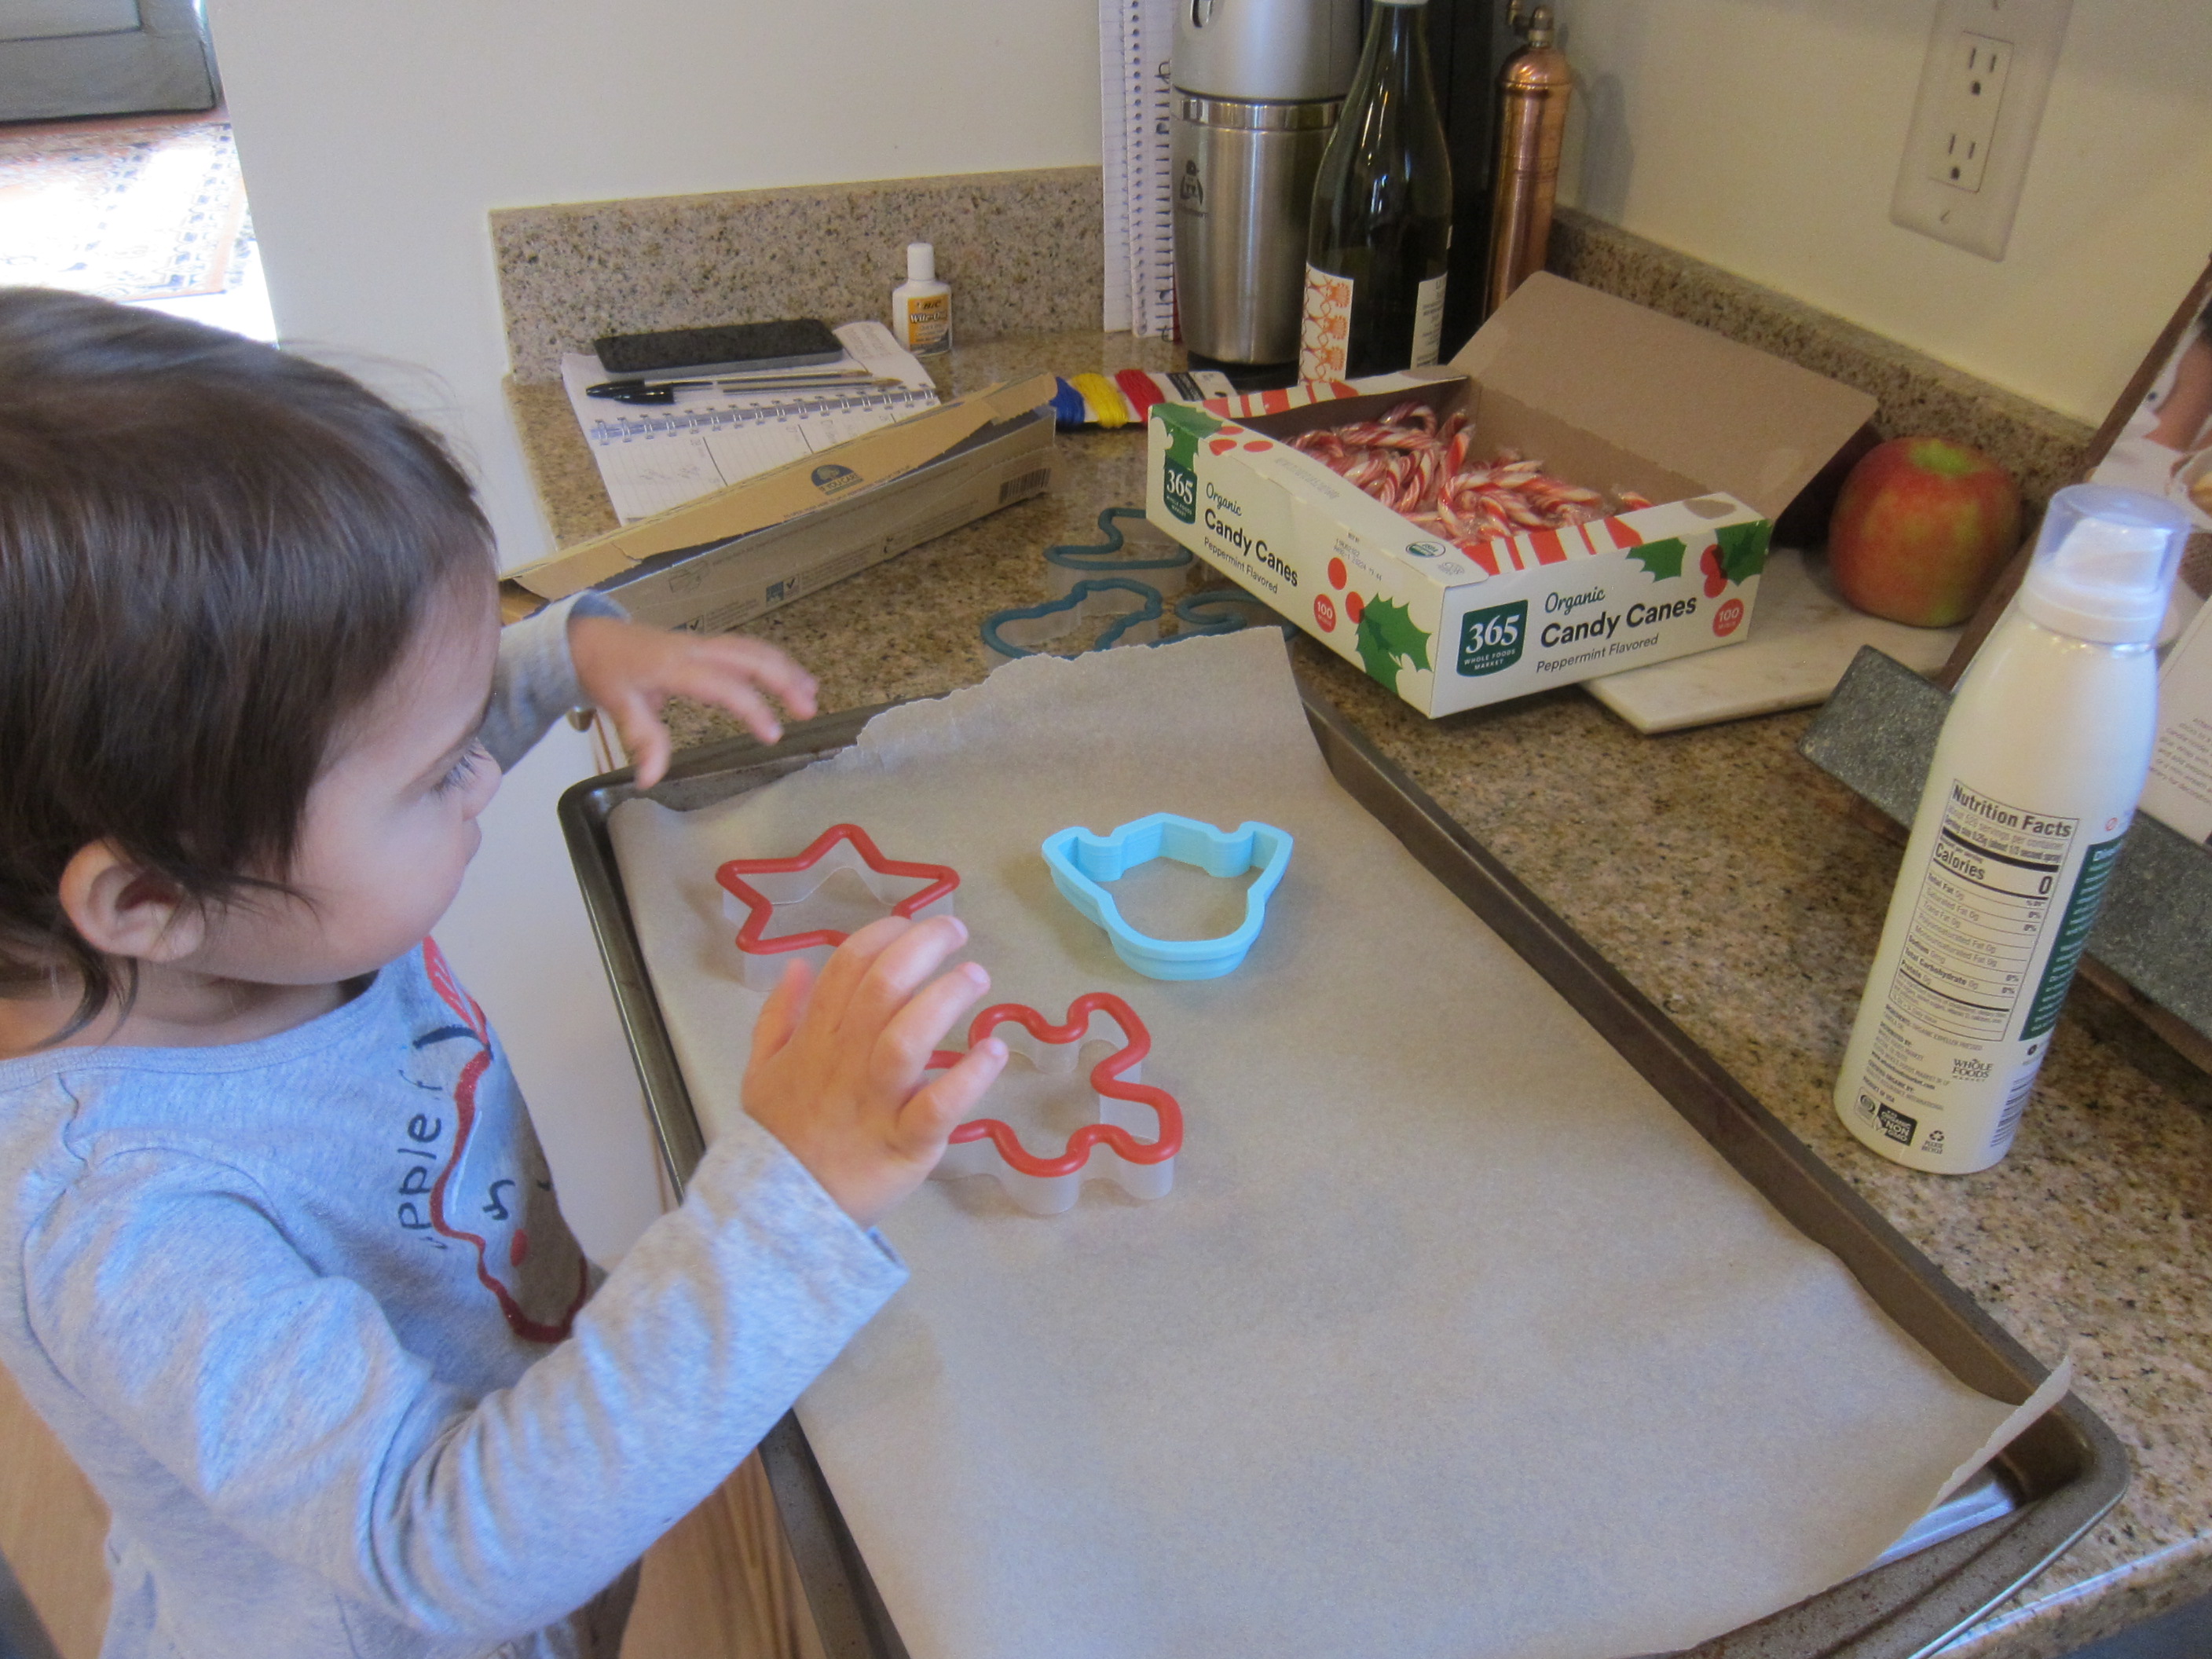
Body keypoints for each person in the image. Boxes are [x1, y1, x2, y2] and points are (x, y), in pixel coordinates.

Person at [0, 288, 1009, 1659]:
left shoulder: (241, 907)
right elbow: (442, 1548)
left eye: (476, 714)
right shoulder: (119, 1224)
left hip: (542, 1514)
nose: (481, 768)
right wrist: (791, 1202)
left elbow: (386, 730)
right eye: (436, 776)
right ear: (150, 898)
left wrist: (565, 658)